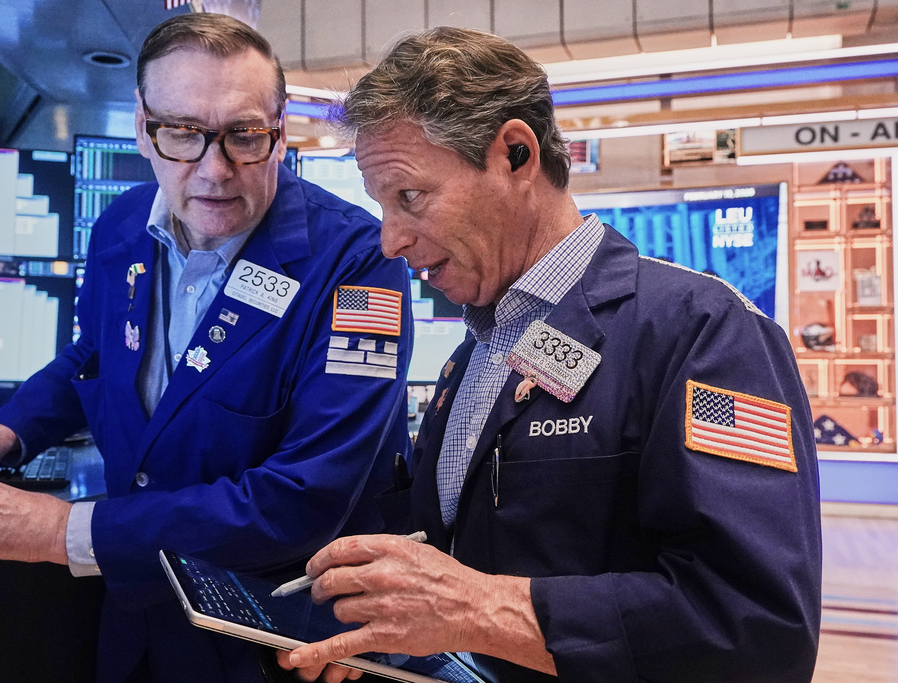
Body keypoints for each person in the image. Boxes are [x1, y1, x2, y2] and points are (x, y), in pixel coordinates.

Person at [0, 13, 413, 683]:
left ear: (279, 134)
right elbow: (92, 357)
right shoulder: (120, 226)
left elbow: (304, 496)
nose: (214, 170)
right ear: (143, 127)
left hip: (276, 642)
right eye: (183, 133)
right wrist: (6, 429)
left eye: (244, 136)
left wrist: (64, 529)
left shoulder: (358, 263)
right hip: (138, 623)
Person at [279, 26, 822, 683]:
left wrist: (481, 608)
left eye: (411, 197)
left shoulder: (704, 334)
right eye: (382, 207)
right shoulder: (472, 358)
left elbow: (757, 627)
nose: (390, 239)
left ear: (515, 154)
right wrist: (385, 626)